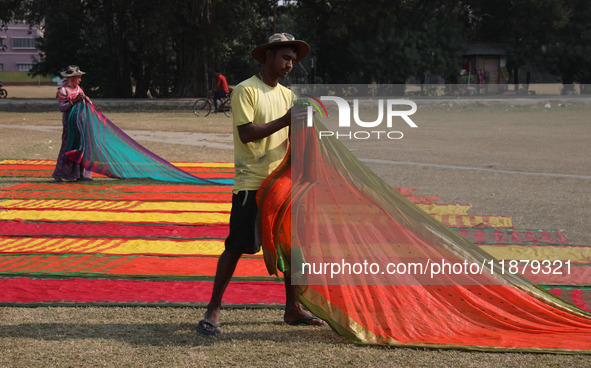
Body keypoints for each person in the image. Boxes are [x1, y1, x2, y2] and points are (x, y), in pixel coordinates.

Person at [198, 33, 326, 336]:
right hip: (252, 183)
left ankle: (293, 308)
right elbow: (247, 133)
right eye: (285, 57)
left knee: (293, 247)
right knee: (237, 245)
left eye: (293, 60)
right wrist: (286, 120)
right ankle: (213, 308)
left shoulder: (288, 95)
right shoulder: (246, 90)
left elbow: (295, 133)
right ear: (268, 56)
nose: (289, 64)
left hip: (283, 183)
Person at [52, 65, 93, 182]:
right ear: (72, 78)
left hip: (80, 123)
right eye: (78, 77)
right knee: (67, 146)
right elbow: (62, 107)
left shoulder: (79, 89)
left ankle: (81, 174)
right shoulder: (63, 91)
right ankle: (59, 174)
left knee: (81, 146)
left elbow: (84, 100)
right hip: (69, 124)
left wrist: (87, 100)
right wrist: (74, 101)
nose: (80, 80)